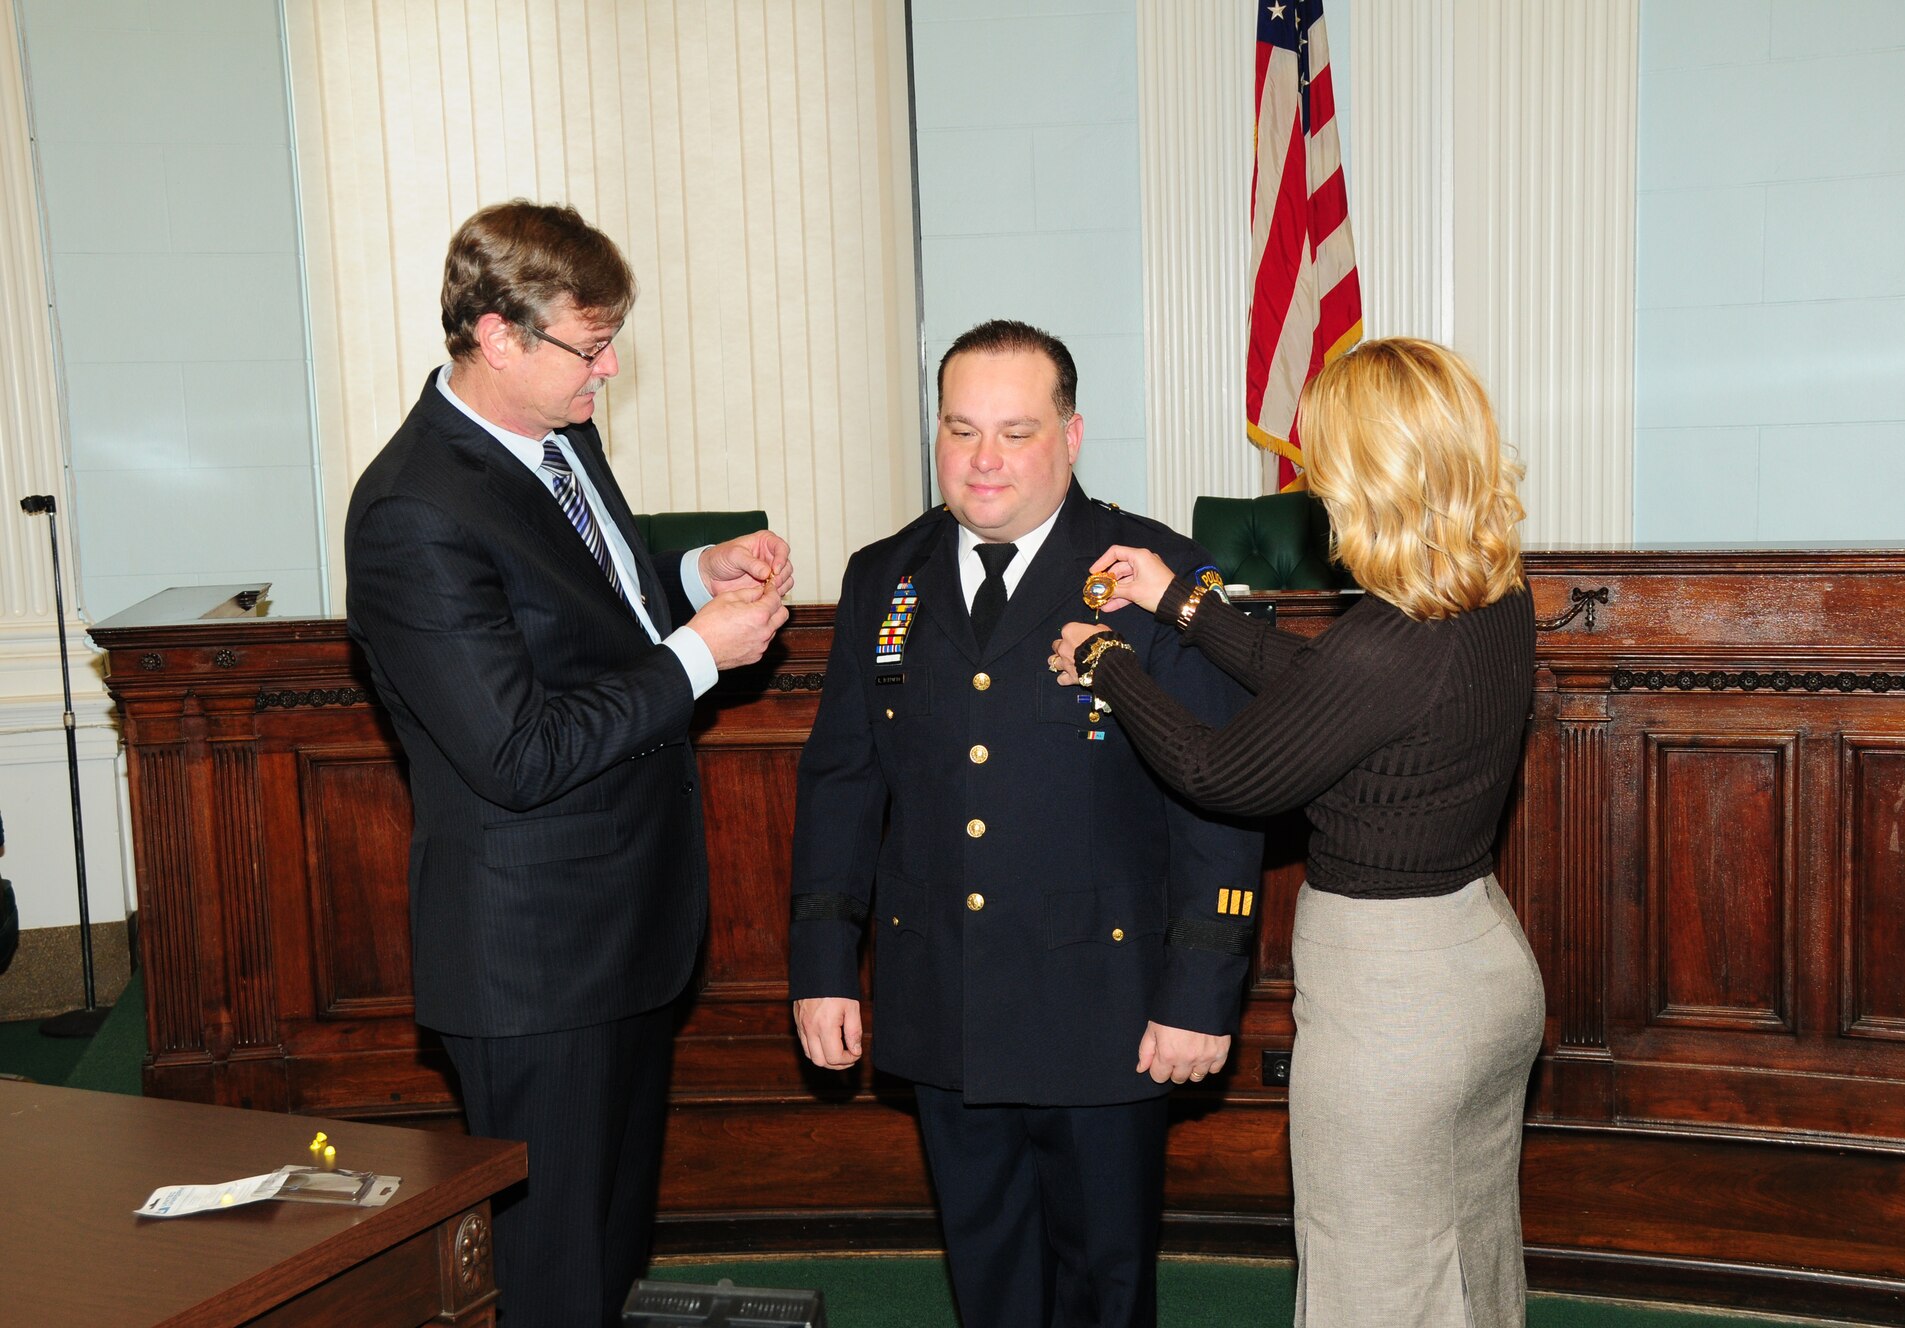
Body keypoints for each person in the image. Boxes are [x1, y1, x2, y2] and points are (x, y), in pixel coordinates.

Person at [345, 200, 792, 1327]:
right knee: (553, 1274)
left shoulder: (558, 431)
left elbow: (593, 591)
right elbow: (515, 749)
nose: (607, 370)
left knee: (610, 1247)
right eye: (588, 347)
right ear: (497, 334)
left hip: (625, 922)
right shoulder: (412, 510)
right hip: (535, 956)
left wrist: (692, 574)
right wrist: (698, 653)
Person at [1050, 337, 1544, 1328]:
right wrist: (1183, 603)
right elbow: (1330, 695)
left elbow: (1221, 773)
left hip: (1394, 1005)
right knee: (1467, 1270)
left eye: (1323, 462)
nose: (1311, 482)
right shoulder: (1488, 591)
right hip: (1477, 961)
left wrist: (1107, 660)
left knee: (1374, 1286)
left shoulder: (1386, 643)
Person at [789, 319, 1264, 1328]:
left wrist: (1200, 987)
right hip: (944, 999)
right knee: (989, 1282)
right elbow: (842, 780)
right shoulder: (887, 574)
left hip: (1105, 1006)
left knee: (1103, 1286)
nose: (983, 461)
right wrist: (825, 960)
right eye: (960, 431)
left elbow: (1218, 799)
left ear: (1072, 434)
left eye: (1014, 431)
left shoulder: (1156, 578)